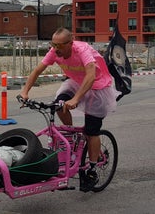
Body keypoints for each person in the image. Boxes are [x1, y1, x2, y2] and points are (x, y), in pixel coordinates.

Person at [19, 27, 118, 192]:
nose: (55, 49)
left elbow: (91, 76)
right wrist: (25, 92)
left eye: (59, 45)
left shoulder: (82, 50)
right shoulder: (54, 52)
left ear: (70, 43)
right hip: (76, 83)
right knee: (59, 105)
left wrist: (76, 99)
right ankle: (71, 134)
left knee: (91, 131)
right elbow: (37, 70)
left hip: (98, 87)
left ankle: (92, 169)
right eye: (53, 44)